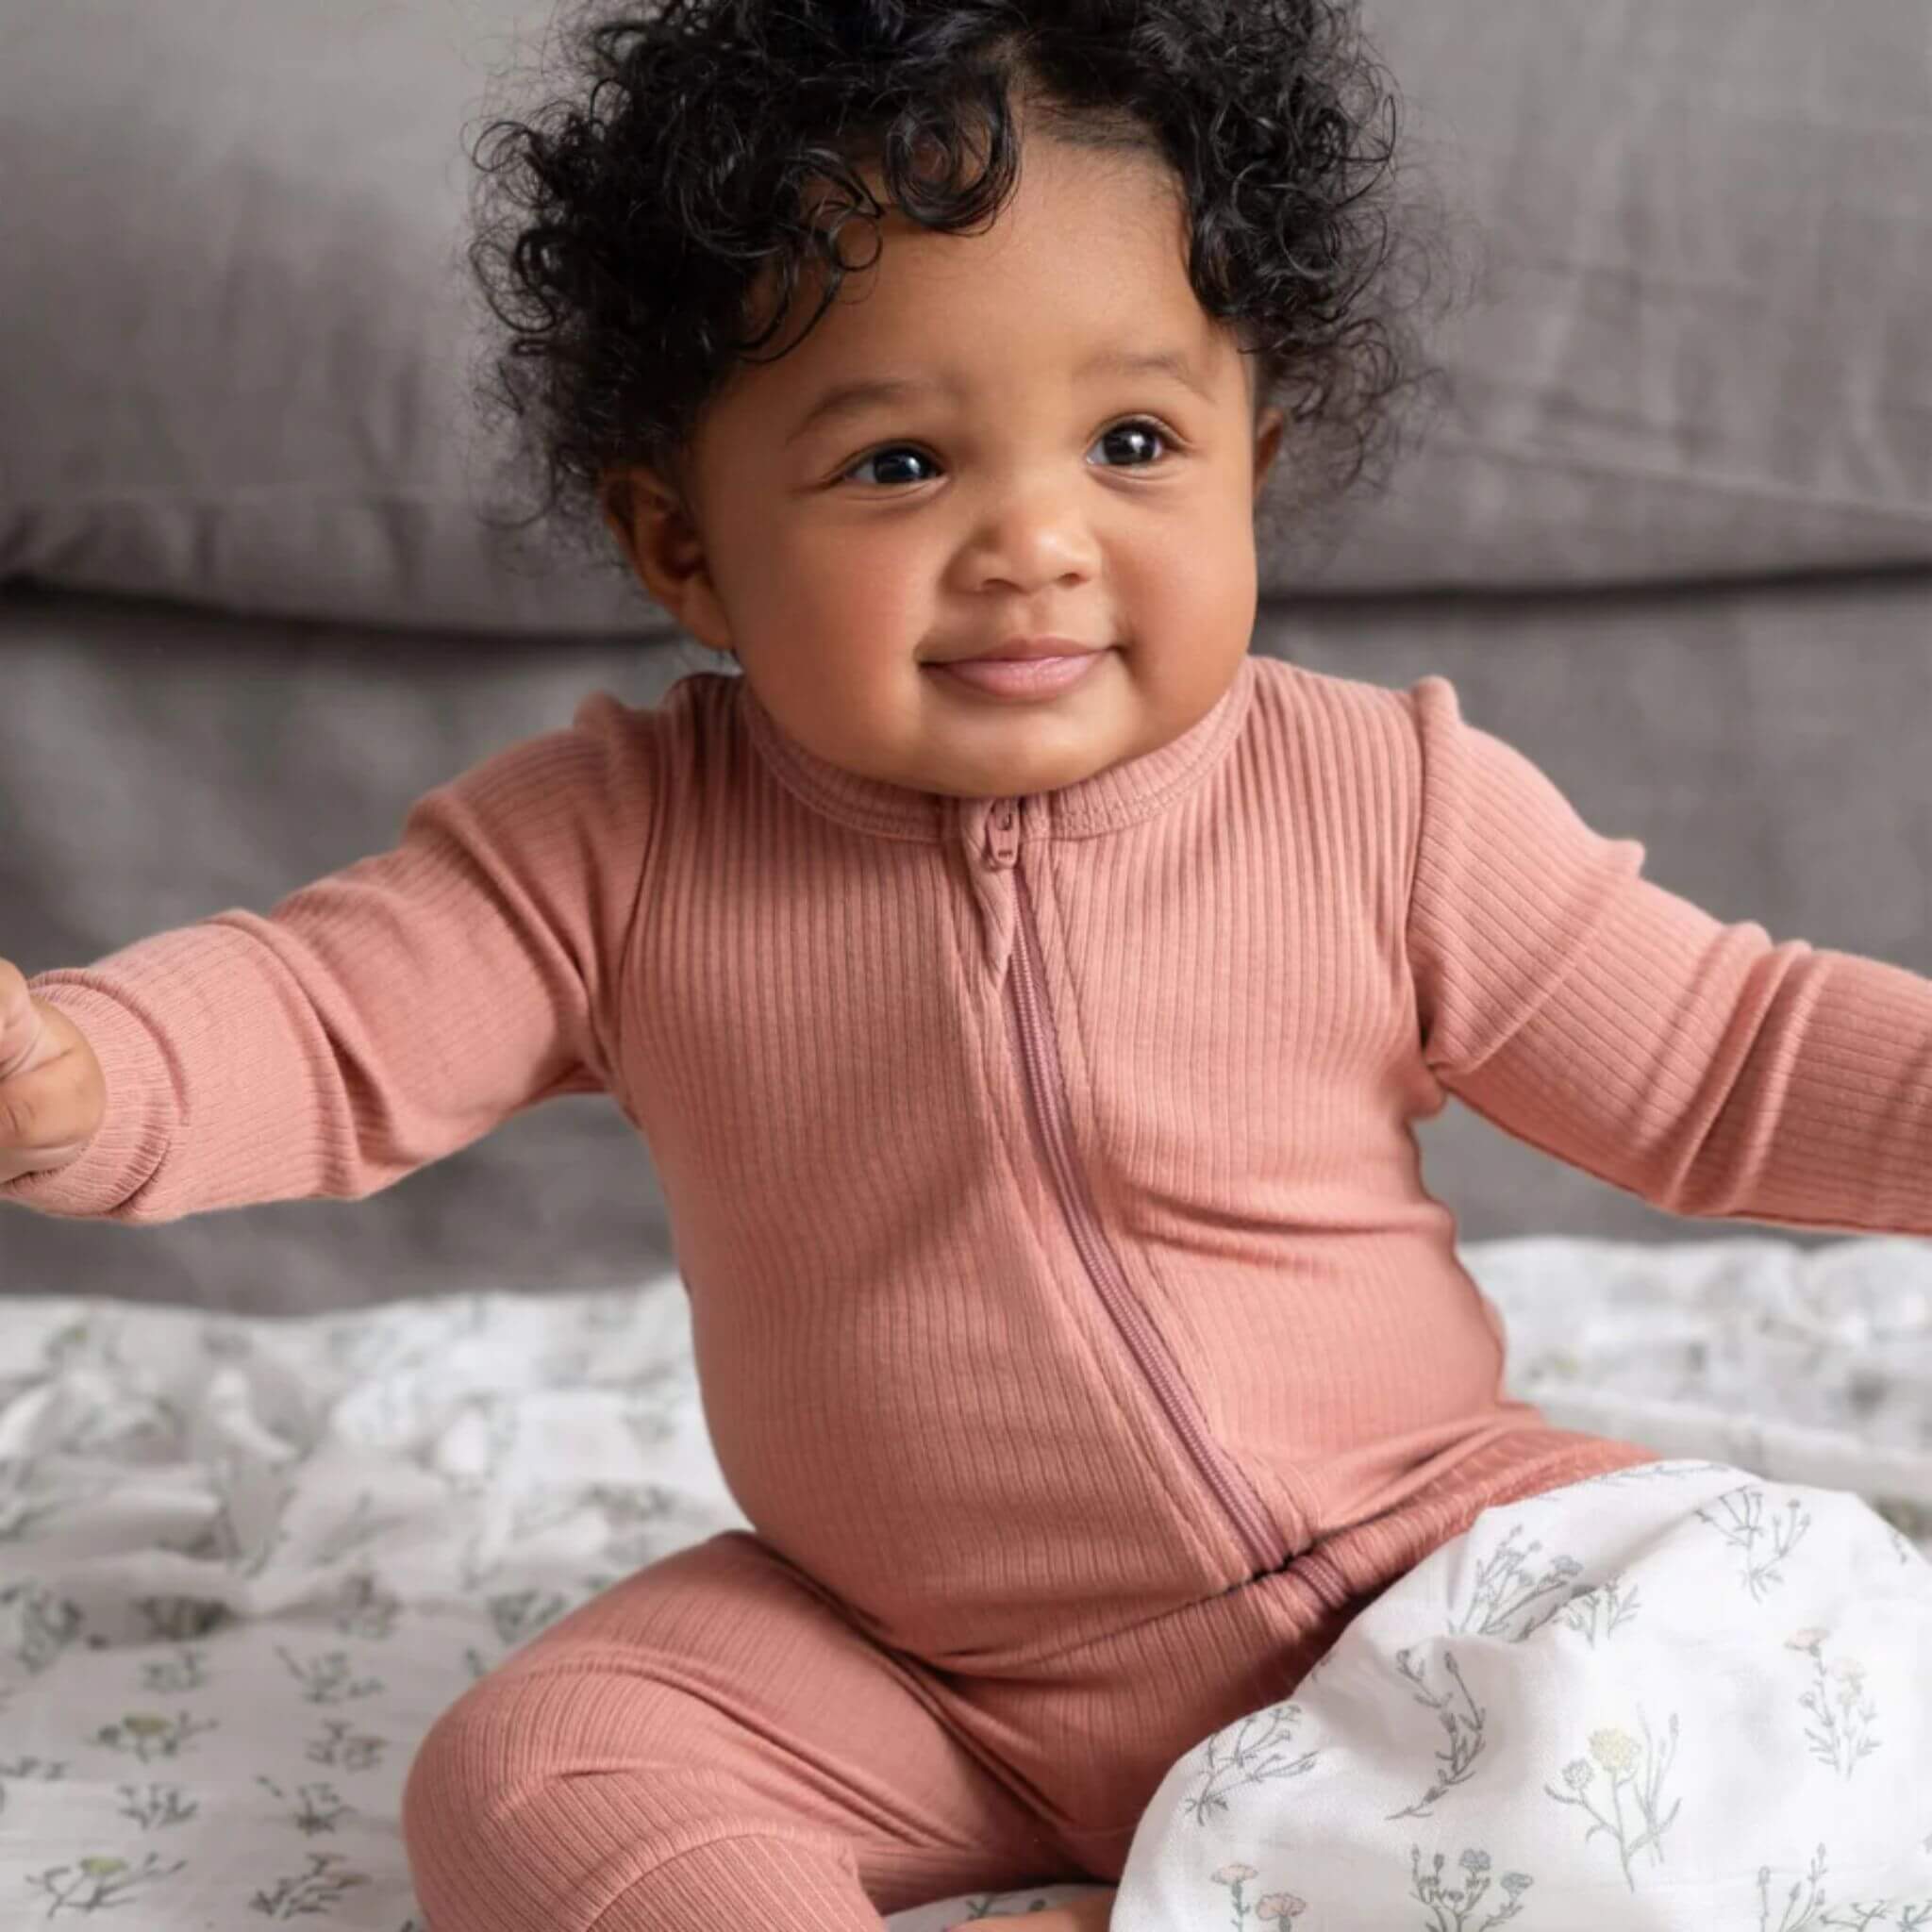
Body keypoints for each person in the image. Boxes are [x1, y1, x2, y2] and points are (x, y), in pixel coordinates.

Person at [8, 2, 1932, 1927]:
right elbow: (320, 1016)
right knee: (533, 1770)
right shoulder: (613, 842)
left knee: (1774, 1654)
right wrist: (80, 1073)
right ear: (685, 545)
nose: (1034, 537)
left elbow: (1729, 1057)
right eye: (902, 463)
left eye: (1130, 441)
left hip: (1424, 1574)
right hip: (925, 1672)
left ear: (1249, 460)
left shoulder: (1379, 799)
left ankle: (1292, 1874)